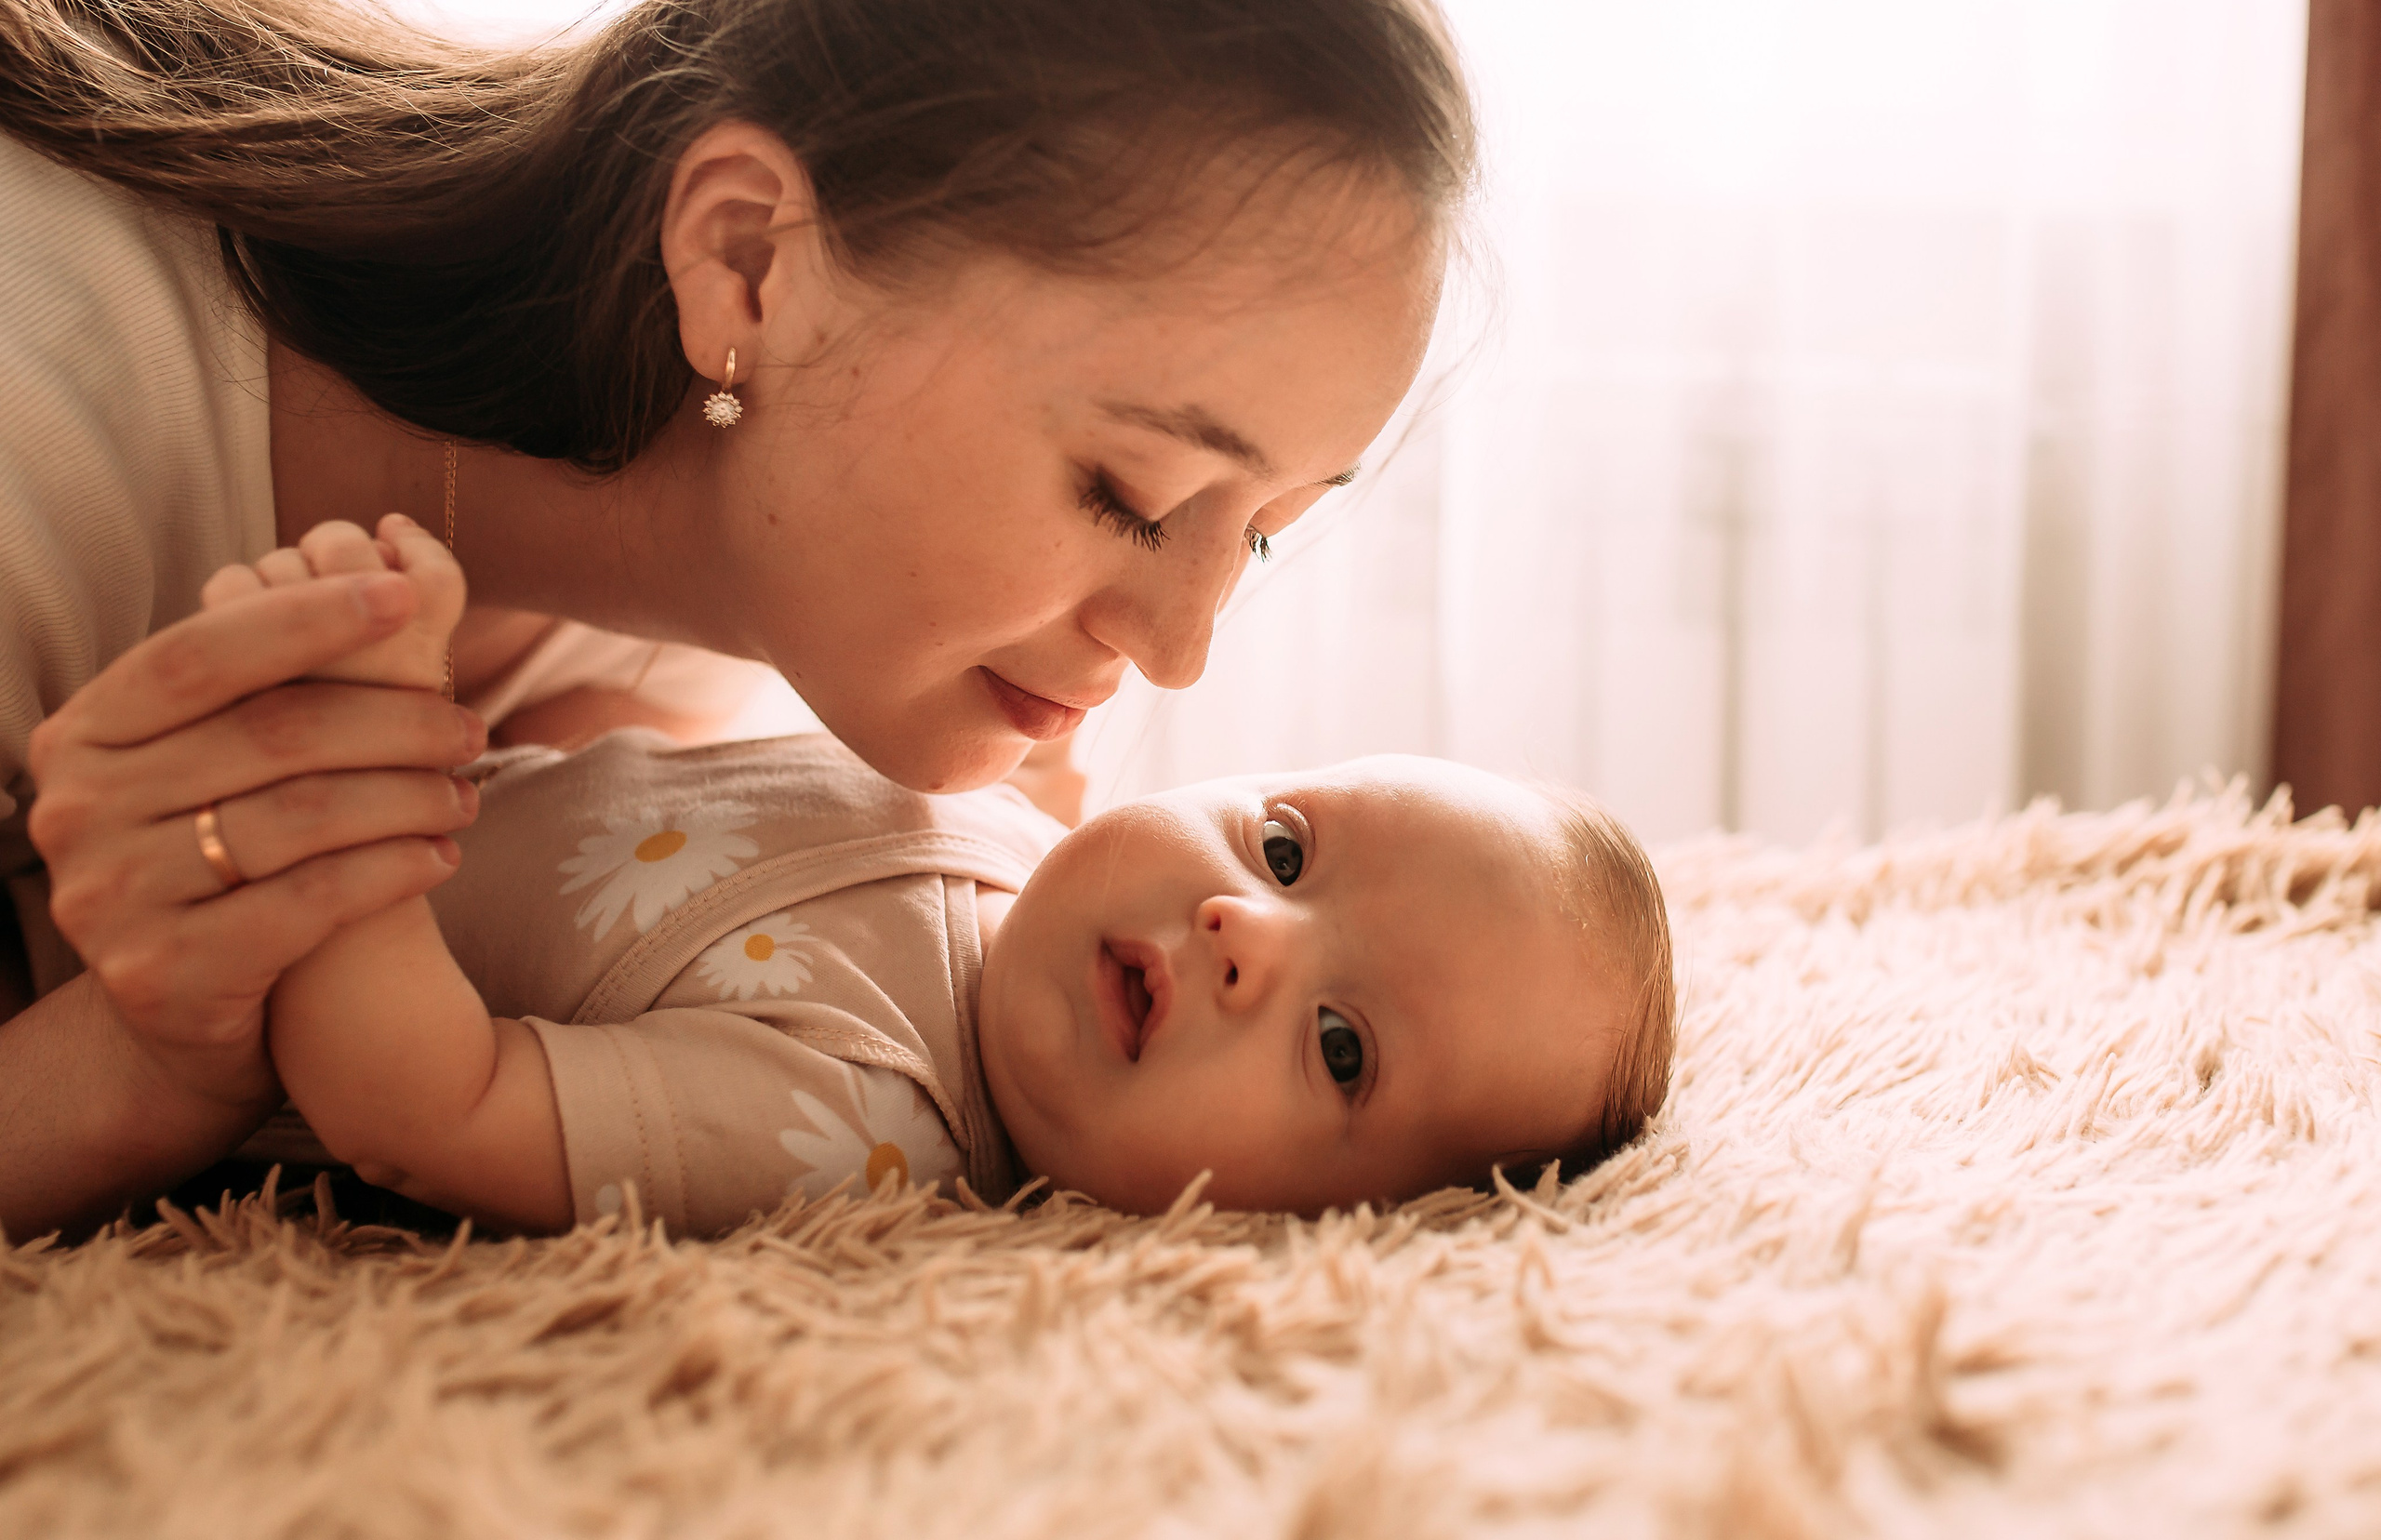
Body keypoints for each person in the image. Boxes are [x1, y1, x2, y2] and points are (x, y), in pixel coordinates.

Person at [0, 0, 1474, 1238]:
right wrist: (134, 1066)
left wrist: (162, 1047)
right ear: (751, 262)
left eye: (1266, 530)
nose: (1180, 650)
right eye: (1132, 493)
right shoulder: (43, 407)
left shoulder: (688, 627)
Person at [234, 524, 1675, 1230]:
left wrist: (344, 757)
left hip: (164, 955)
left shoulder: (856, 1116)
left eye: (1342, 1047)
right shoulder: (1028, 855)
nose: (1247, 930)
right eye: (1286, 849)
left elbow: (423, 1107)